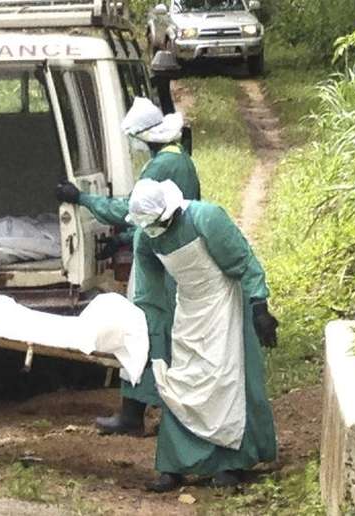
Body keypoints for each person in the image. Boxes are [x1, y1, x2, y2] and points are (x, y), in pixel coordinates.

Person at [55, 97, 200, 436]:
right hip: (168, 252)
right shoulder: (178, 159)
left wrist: (83, 198)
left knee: (144, 330)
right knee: (157, 330)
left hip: (158, 262)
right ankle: (143, 409)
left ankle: (135, 413)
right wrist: (125, 240)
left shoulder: (162, 165)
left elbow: (131, 209)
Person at [125, 178, 278, 492]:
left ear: (170, 213)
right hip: (189, 309)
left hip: (223, 302)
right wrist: (150, 336)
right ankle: (175, 465)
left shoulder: (206, 218)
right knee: (183, 382)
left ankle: (231, 463)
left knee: (227, 382)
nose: (154, 231)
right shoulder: (146, 237)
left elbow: (243, 260)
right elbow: (148, 291)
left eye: (158, 225)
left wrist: (259, 305)